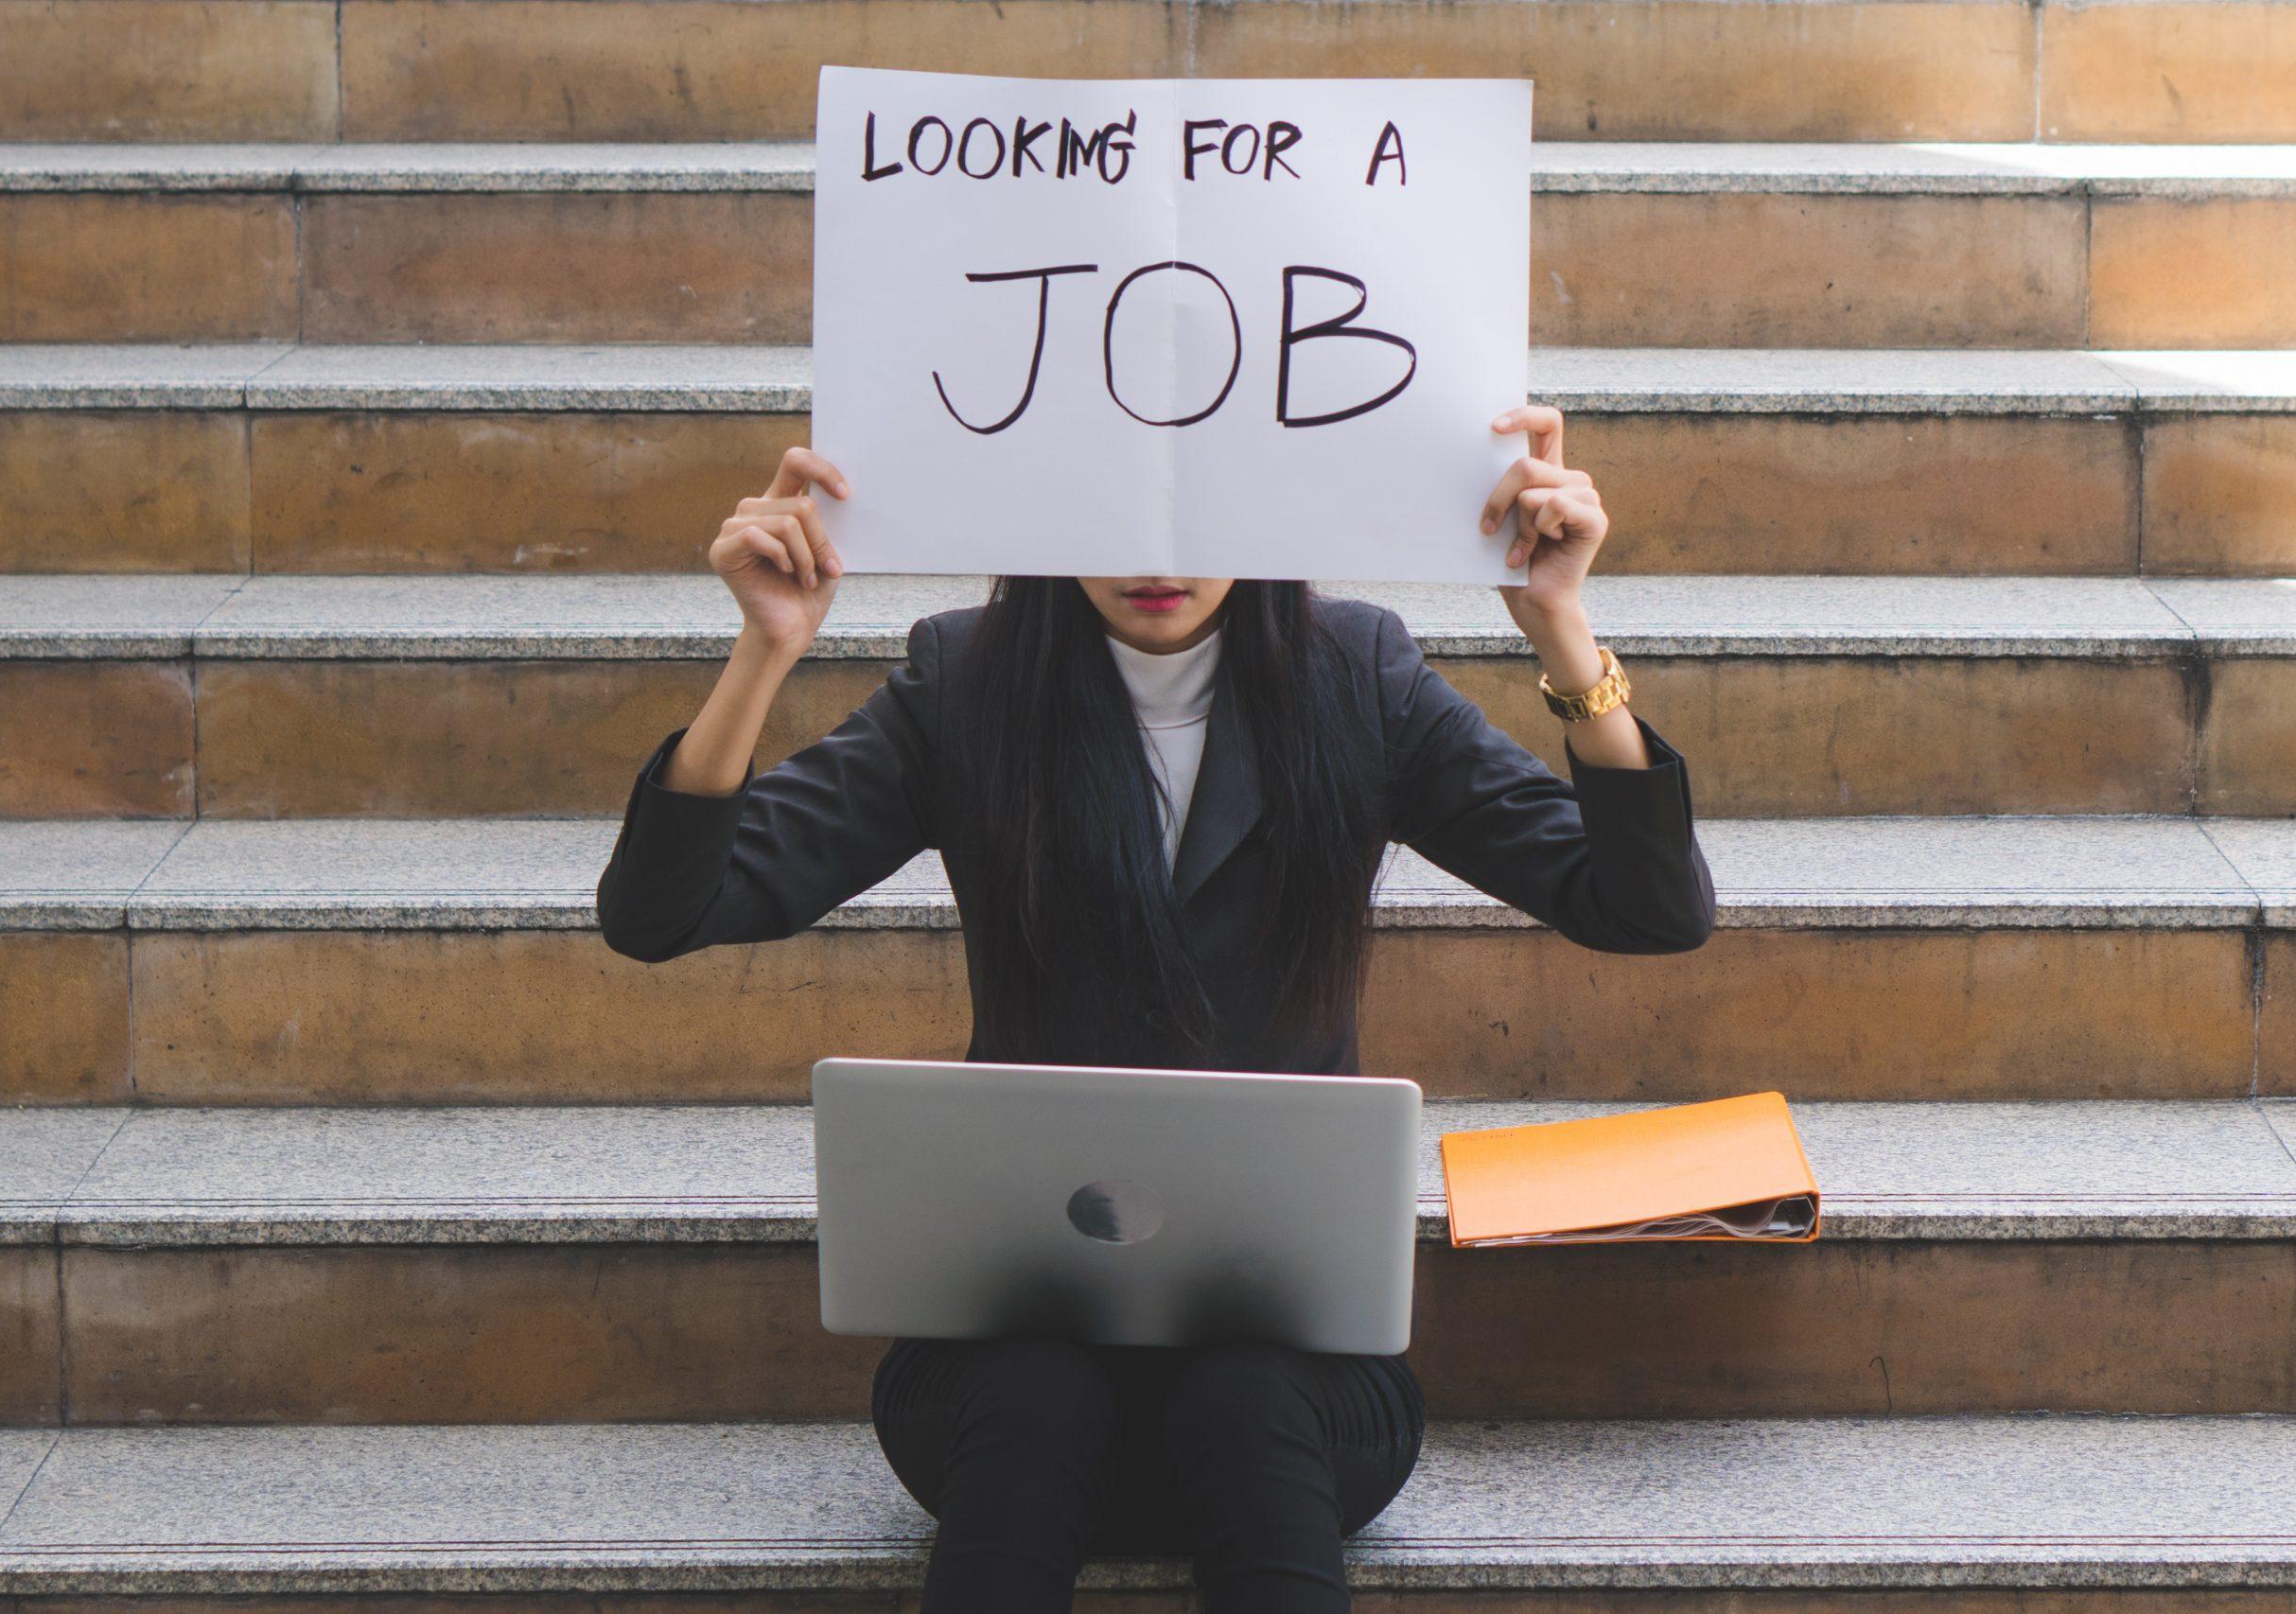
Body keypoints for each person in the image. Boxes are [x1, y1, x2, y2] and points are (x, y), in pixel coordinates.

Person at [595, 404, 1717, 1614]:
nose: (1158, 557)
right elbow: (665, 908)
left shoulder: (1361, 674)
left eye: (1201, 506)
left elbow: (1645, 905)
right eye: (1111, 508)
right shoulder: (964, 680)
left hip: (1293, 1386)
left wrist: (1560, 628)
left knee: (1241, 1393)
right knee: (1039, 1395)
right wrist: (764, 650)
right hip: (1008, 1370)